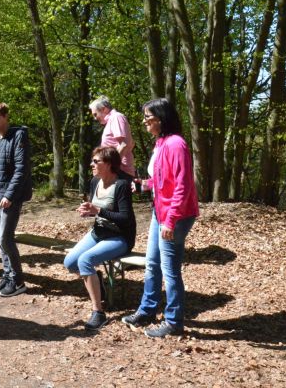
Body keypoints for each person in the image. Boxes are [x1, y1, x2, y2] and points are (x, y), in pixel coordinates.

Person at [121, 98, 199, 338]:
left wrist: (171, 220)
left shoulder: (177, 144)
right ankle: (147, 310)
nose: (144, 121)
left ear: (161, 118)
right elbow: (165, 180)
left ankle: (174, 322)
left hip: (175, 215)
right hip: (160, 211)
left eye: (148, 116)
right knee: (152, 264)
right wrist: (145, 185)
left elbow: (183, 186)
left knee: (170, 269)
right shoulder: (162, 142)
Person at [64, 146, 136, 330]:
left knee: (85, 260)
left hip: (119, 237)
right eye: (92, 161)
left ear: (109, 164)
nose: (91, 164)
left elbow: (126, 219)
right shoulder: (95, 181)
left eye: (96, 161)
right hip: (99, 232)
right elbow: (95, 210)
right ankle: (97, 280)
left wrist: (99, 211)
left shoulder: (121, 185)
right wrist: (88, 211)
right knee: (71, 262)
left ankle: (98, 312)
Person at [0, 101, 32, 297]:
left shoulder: (18, 136)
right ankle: (8, 275)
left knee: (5, 238)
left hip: (10, 197)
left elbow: (21, 170)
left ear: (6, 117)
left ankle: (18, 280)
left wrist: (9, 195)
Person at [89, 95, 136, 182]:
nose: (95, 118)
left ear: (104, 109)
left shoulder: (116, 117)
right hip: (118, 170)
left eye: (95, 114)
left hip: (119, 171)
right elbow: (131, 143)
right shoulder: (112, 120)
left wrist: (111, 167)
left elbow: (124, 144)